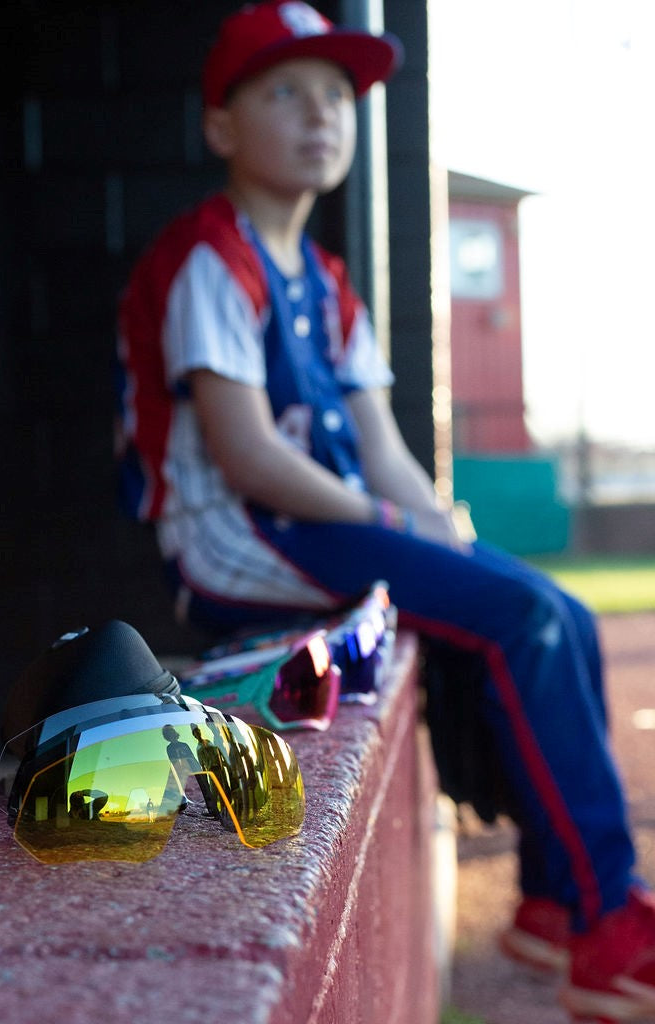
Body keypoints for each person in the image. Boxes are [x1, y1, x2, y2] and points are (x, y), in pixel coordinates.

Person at [113, 2, 655, 1019]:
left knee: (557, 609)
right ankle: (604, 927)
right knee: (521, 619)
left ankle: (547, 902)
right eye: (284, 91)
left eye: (336, 96)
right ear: (222, 126)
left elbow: (382, 448)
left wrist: (439, 520)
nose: (320, 115)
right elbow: (250, 459)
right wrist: (394, 524)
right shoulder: (210, 257)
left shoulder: (325, 278)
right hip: (237, 535)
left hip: (318, 521)